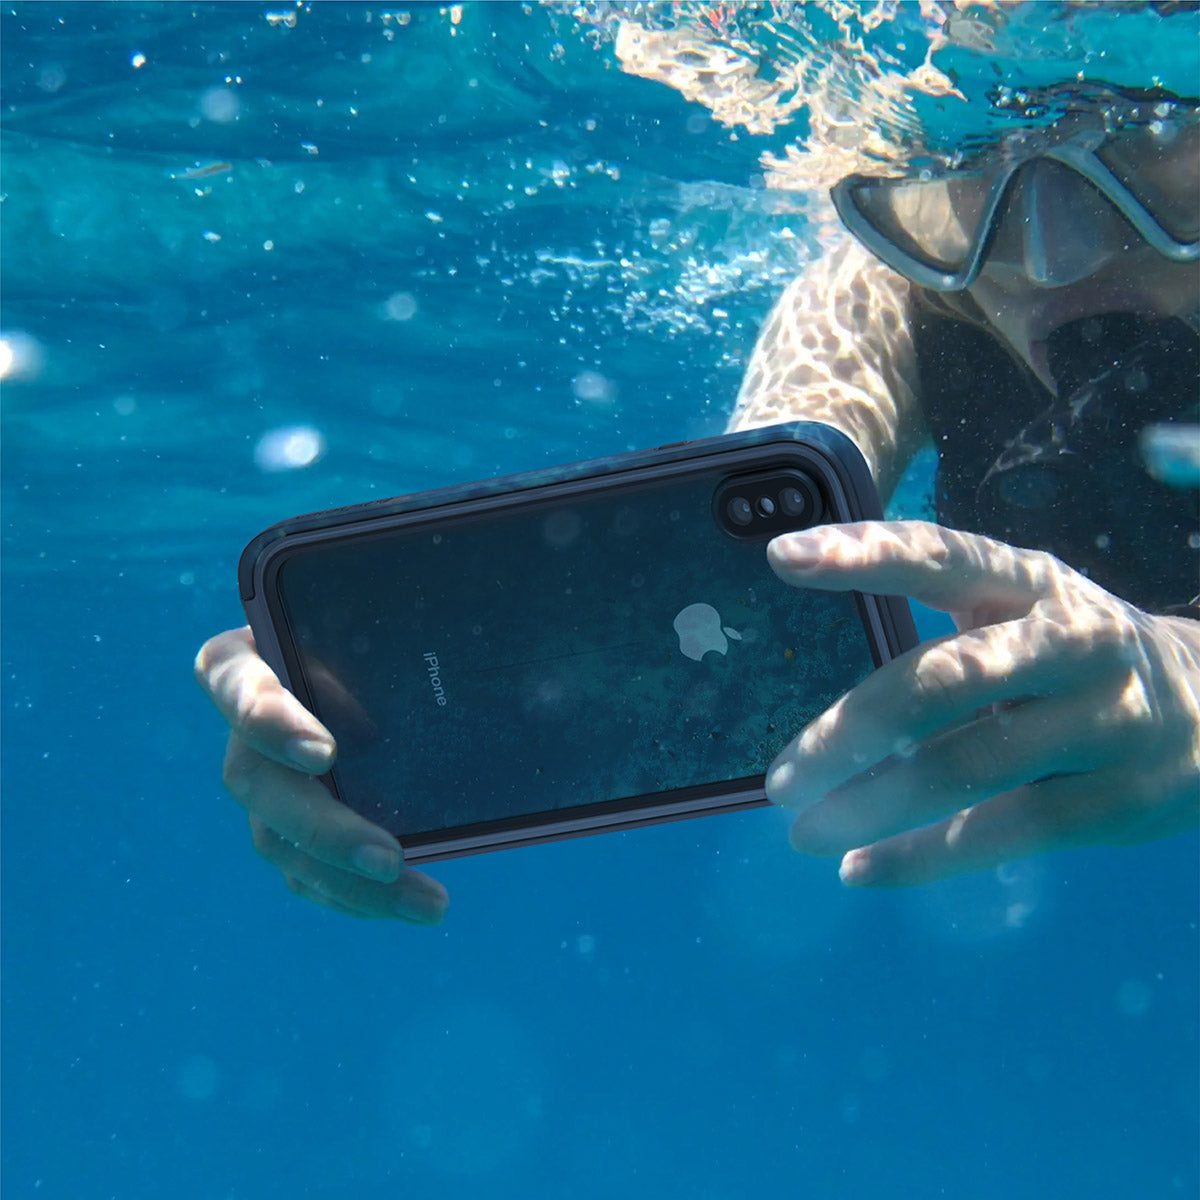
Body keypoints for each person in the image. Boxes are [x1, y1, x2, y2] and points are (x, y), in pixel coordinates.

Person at [195, 84, 1199, 918]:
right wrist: (385, 648)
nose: (1053, 254)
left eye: (1156, 133)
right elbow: (749, 535)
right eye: (978, 164)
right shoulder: (900, 281)